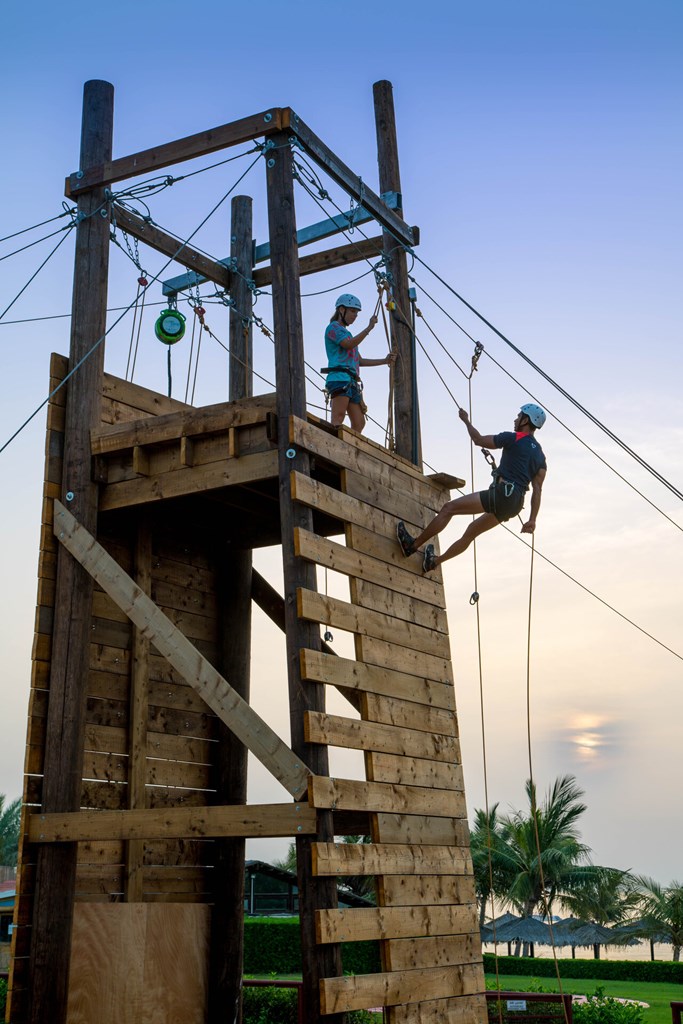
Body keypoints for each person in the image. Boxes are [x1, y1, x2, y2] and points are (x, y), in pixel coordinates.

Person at [397, 403, 548, 573]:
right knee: (471, 532)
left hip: (502, 494)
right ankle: (433, 562)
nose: (515, 419)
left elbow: (478, 440)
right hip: (515, 504)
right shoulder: (540, 456)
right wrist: (532, 519)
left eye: (519, 416)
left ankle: (412, 545)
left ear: (525, 420)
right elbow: (537, 489)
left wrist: (466, 421)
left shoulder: (513, 437)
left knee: (449, 509)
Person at [323, 293, 396, 432]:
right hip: (339, 378)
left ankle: (348, 449)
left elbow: (359, 360)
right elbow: (348, 345)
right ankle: (334, 448)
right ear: (341, 310)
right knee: (338, 418)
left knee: (359, 422)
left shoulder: (347, 334)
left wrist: (384, 361)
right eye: (352, 311)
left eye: (356, 313)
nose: (355, 315)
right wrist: (369, 328)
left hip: (351, 381)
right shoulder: (333, 328)